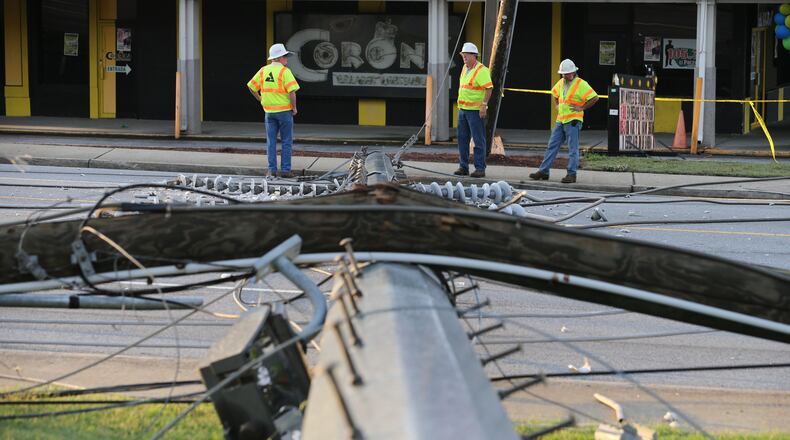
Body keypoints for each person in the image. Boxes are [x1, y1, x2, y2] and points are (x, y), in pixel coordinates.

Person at [529, 59, 598, 184]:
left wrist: (581, 108)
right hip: (561, 120)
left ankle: (571, 174)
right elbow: (554, 93)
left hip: (573, 121)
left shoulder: (581, 84)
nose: (564, 76)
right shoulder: (561, 82)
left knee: (573, 149)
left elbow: (595, 97)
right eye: (563, 74)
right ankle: (544, 171)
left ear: (573, 72)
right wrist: (557, 105)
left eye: (566, 73)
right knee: (552, 146)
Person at [247, 43, 300, 178]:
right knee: (286, 141)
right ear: (280, 57)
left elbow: (251, 87)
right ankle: (286, 170)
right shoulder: (284, 71)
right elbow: (292, 92)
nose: (287, 59)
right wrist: (294, 107)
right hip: (284, 112)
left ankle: (272, 170)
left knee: (271, 142)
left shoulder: (263, 70)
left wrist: (260, 99)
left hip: (269, 112)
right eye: (286, 56)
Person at [453, 42, 493, 178]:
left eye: (466, 55)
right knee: (462, 139)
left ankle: (480, 168)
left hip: (475, 111)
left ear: (474, 55)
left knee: (478, 139)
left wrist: (483, 105)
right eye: (463, 55)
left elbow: (489, 88)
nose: (464, 57)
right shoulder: (465, 68)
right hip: (463, 109)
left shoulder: (481, 70)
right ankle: (463, 167)